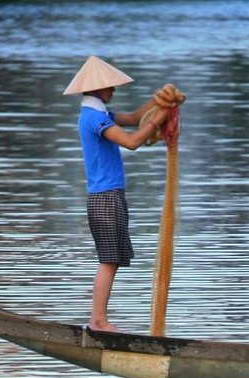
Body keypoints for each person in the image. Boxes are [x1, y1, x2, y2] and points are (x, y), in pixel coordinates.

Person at [64, 55, 171, 332]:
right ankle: (98, 320)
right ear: (98, 89)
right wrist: (158, 118)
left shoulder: (99, 113)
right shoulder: (92, 118)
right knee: (109, 259)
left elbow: (134, 119)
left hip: (110, 195)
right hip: (105, 196)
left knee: (113, 259)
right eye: (110, 87)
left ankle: (98, 319)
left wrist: (158, 101)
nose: (114, 91)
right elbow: (133, 141)